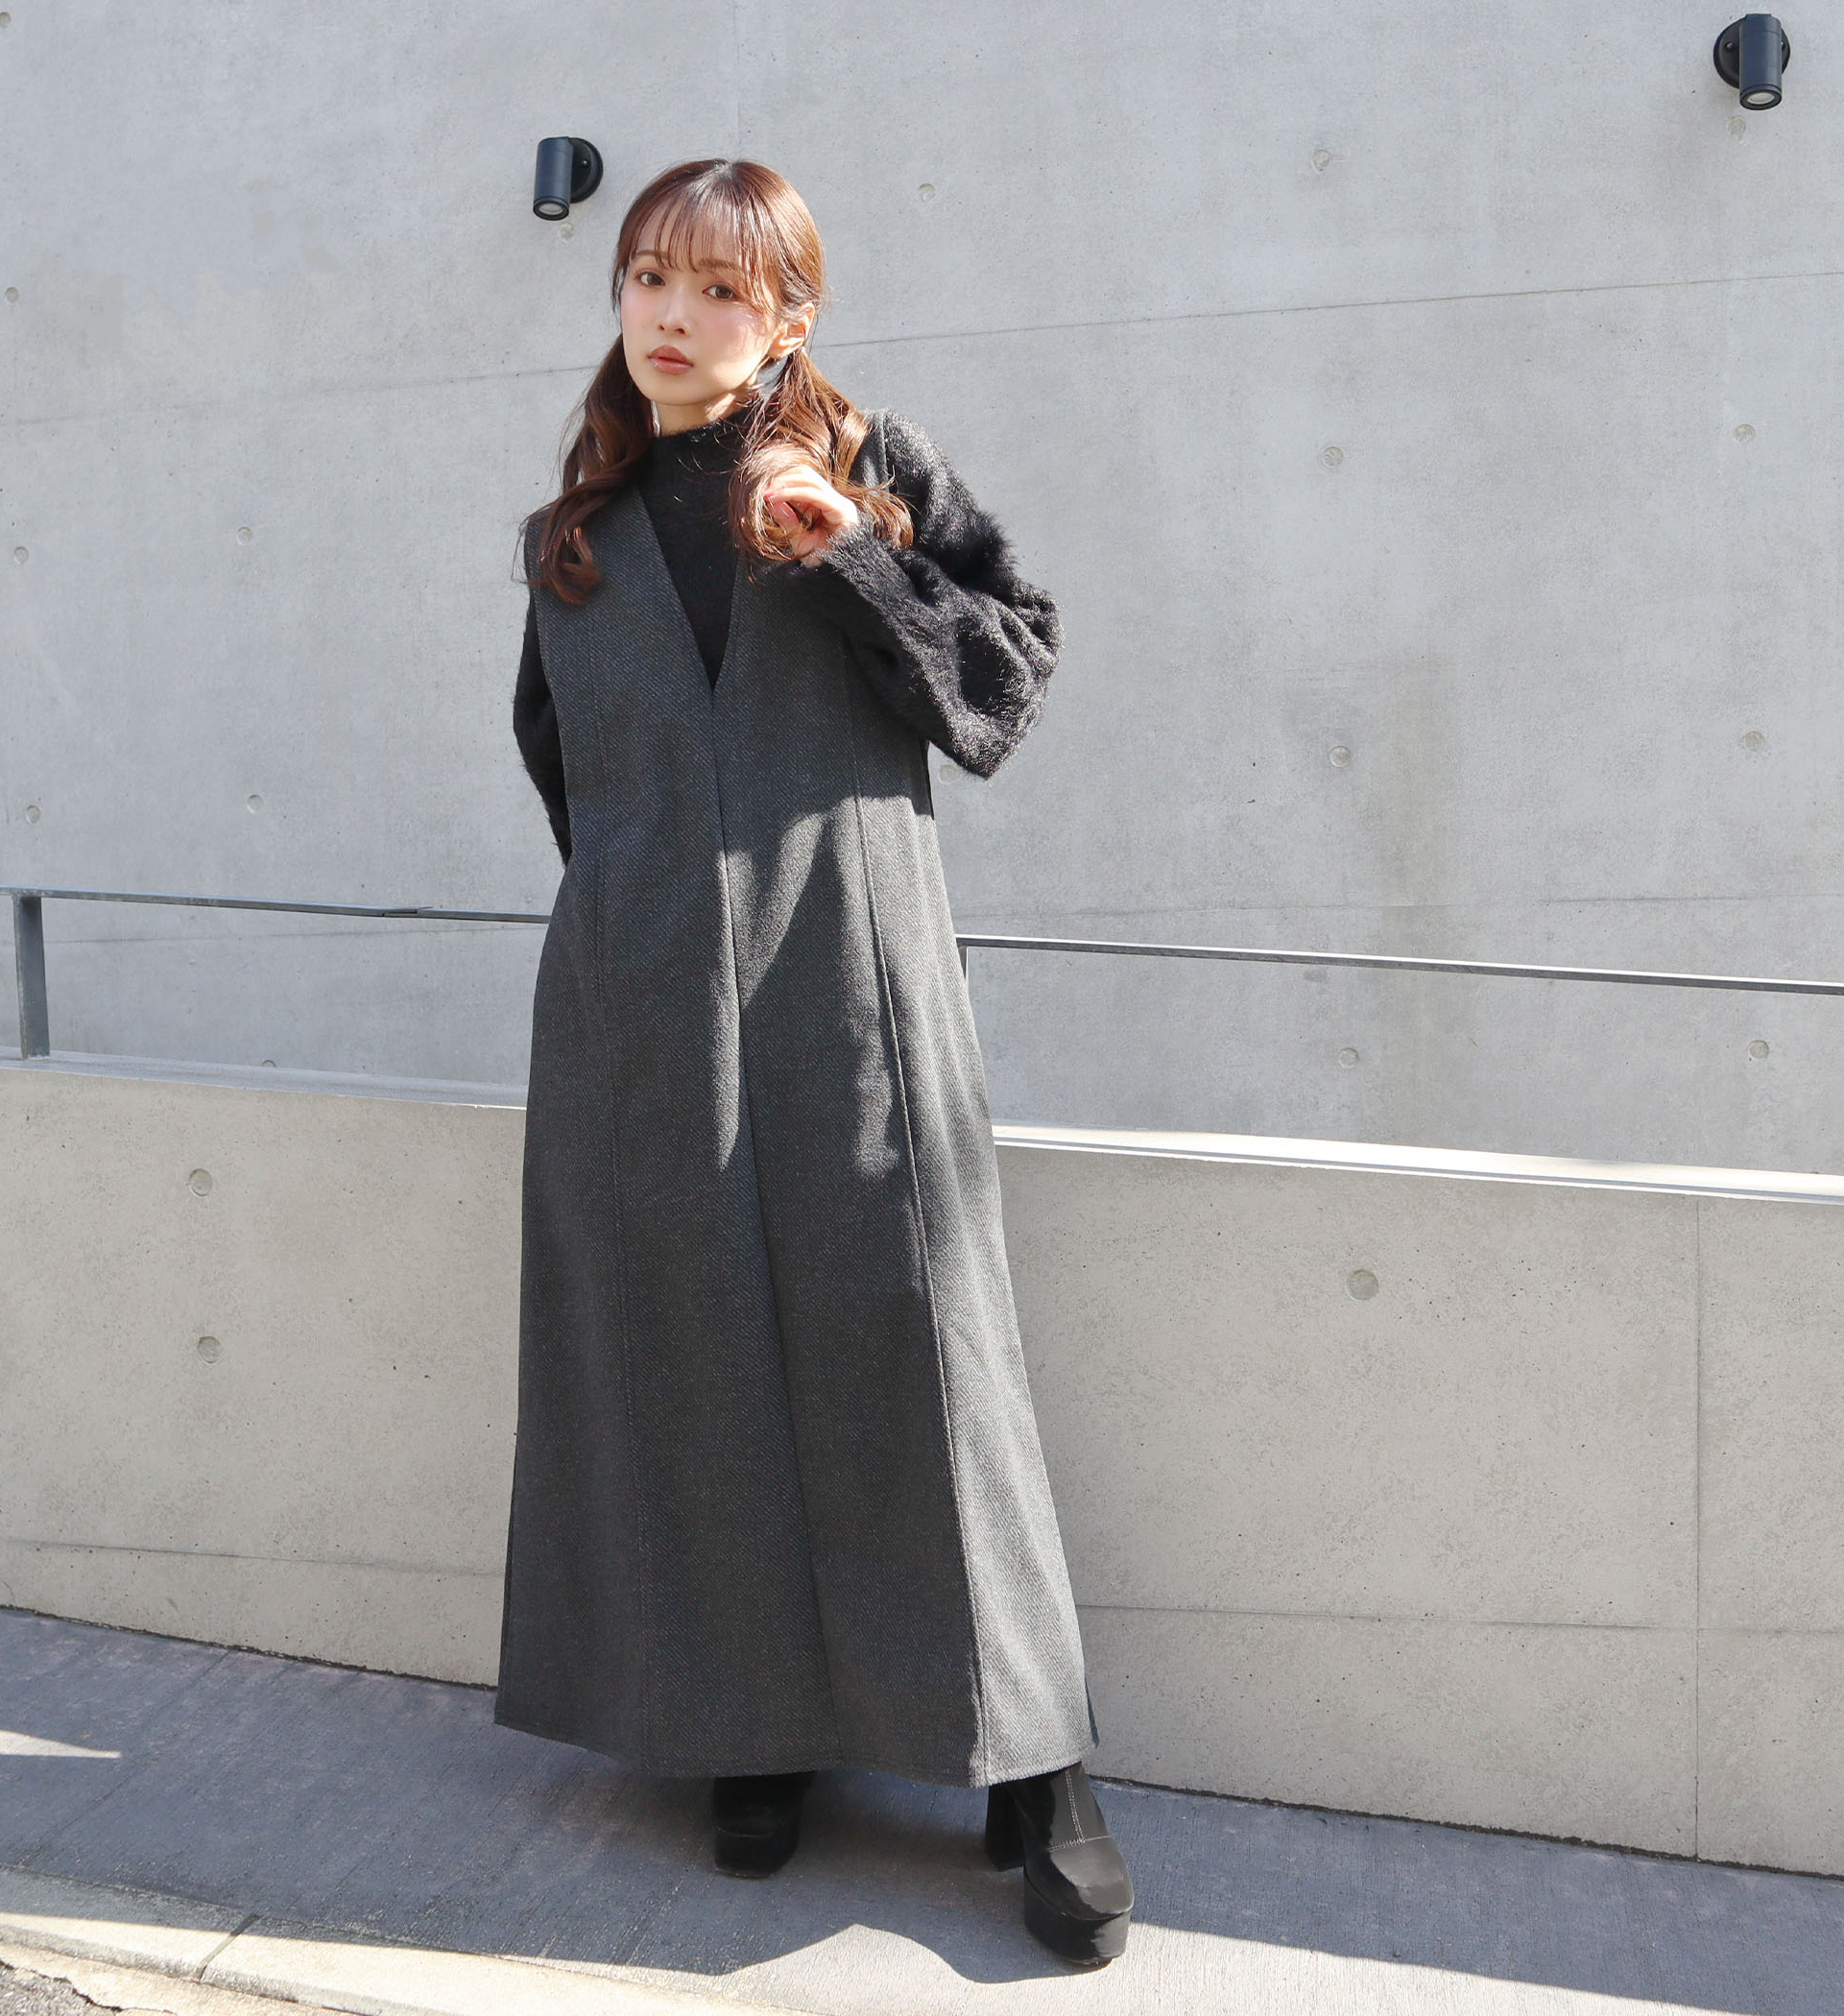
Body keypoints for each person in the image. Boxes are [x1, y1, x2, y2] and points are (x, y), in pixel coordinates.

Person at [498, 157, 1133, 1968]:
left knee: (929, 1353)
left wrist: (853, 550)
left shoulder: (869, 466)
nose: (673, 314)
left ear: (788, 318)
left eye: (719, 287)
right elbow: (561, 762)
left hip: (855, 979)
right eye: (649, 276)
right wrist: (649, 926)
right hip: (639, 1006)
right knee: (687, 1361)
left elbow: (1005, 680)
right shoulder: (574, 533)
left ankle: (1041, 1774)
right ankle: (750, 1730)